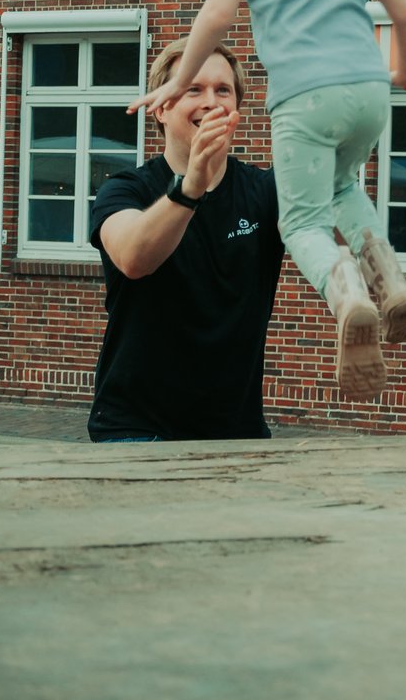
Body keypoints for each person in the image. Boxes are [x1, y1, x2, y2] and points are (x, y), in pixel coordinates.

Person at [127, 0, 406, 399]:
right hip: (370, 91)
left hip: (306, 98)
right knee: (346, 187)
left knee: (301, 223)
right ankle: (391, 282)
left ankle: (347, 294)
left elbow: (215, 20)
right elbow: (403, 12)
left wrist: (179, 80)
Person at [87, 38, 284, 442]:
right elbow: (133, 257)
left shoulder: (266, 192)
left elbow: (330, 231)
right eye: (193, 89)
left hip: (238, 436)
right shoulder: (125, 190)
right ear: (161, 106)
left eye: (222, 90)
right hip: (137, 431)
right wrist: (190, 187)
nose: (211, 101)